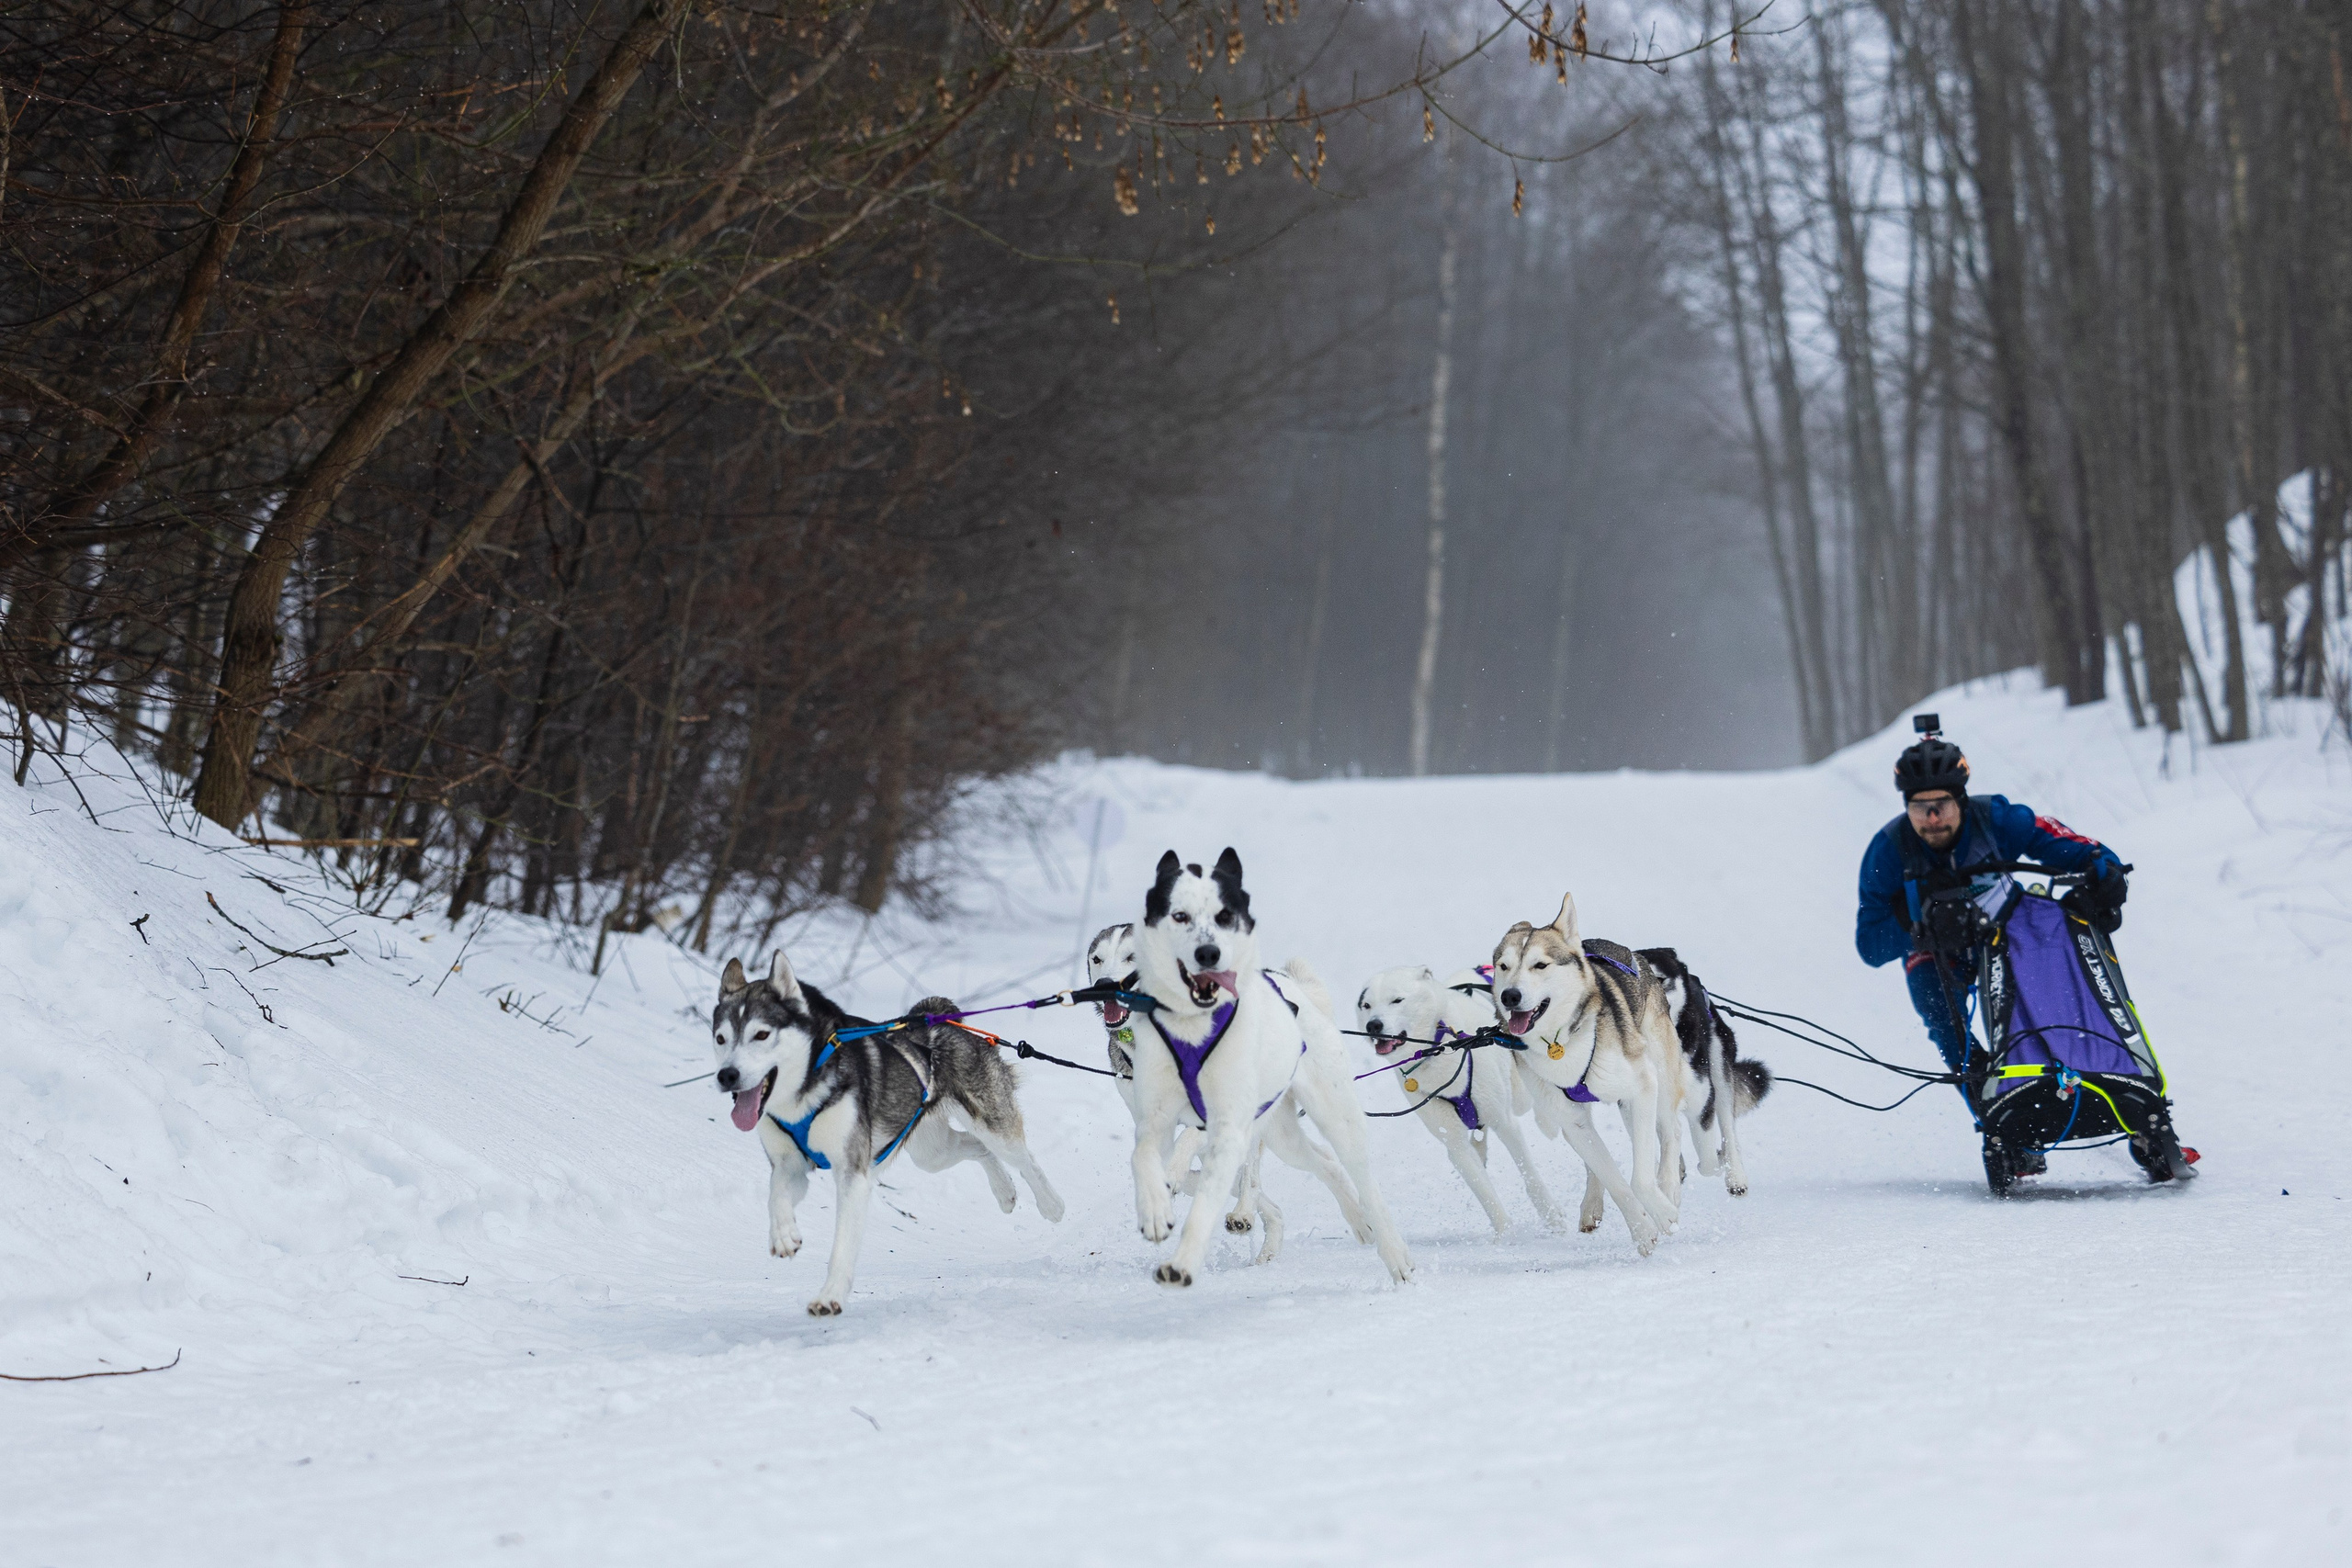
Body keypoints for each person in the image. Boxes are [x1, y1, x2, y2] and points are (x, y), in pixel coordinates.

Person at [1855, 724, 2128, 1172]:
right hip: (1937, 951)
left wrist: (2106, 870)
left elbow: (2073, 847)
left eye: (1940, 806)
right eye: (1918, 809)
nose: (1931, 819)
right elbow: (1869, 944)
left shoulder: (1997, 819)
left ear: (1960, 800)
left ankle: (2103, 1085)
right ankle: (2005, 1127)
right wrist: (1917, 926)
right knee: (1947, 1028)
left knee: (2048, 1008)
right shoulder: (1888, 849)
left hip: (2006, 932)